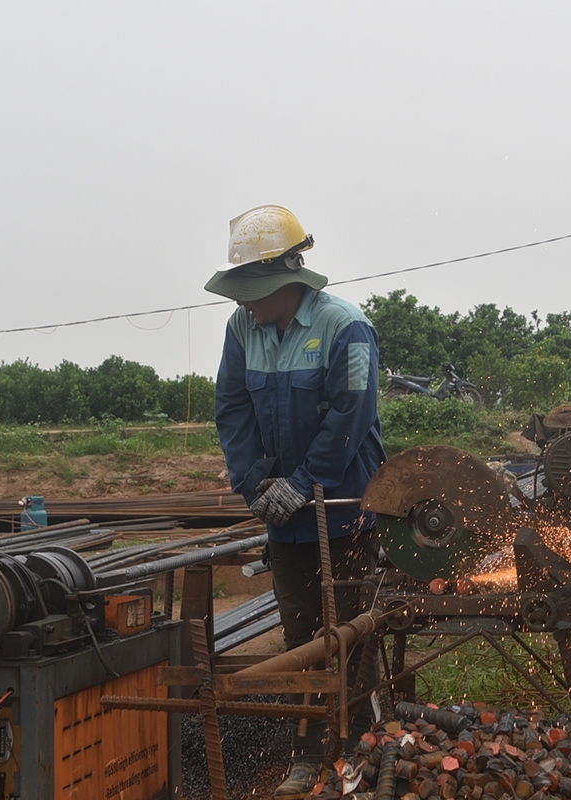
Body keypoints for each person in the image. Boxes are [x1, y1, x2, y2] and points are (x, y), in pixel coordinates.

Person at [205, 205, 386, 797]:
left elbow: (349, 418)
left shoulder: (345, 328)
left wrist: (306, 479)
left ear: (289, 279)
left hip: (347, 510)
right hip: (284, 518)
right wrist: (253, 479)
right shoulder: (242, 329)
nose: (244, 303)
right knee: (302, 636)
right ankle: (308, 752)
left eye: (252, 291)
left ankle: (358, 745)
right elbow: (232, 407)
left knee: (354, 633)